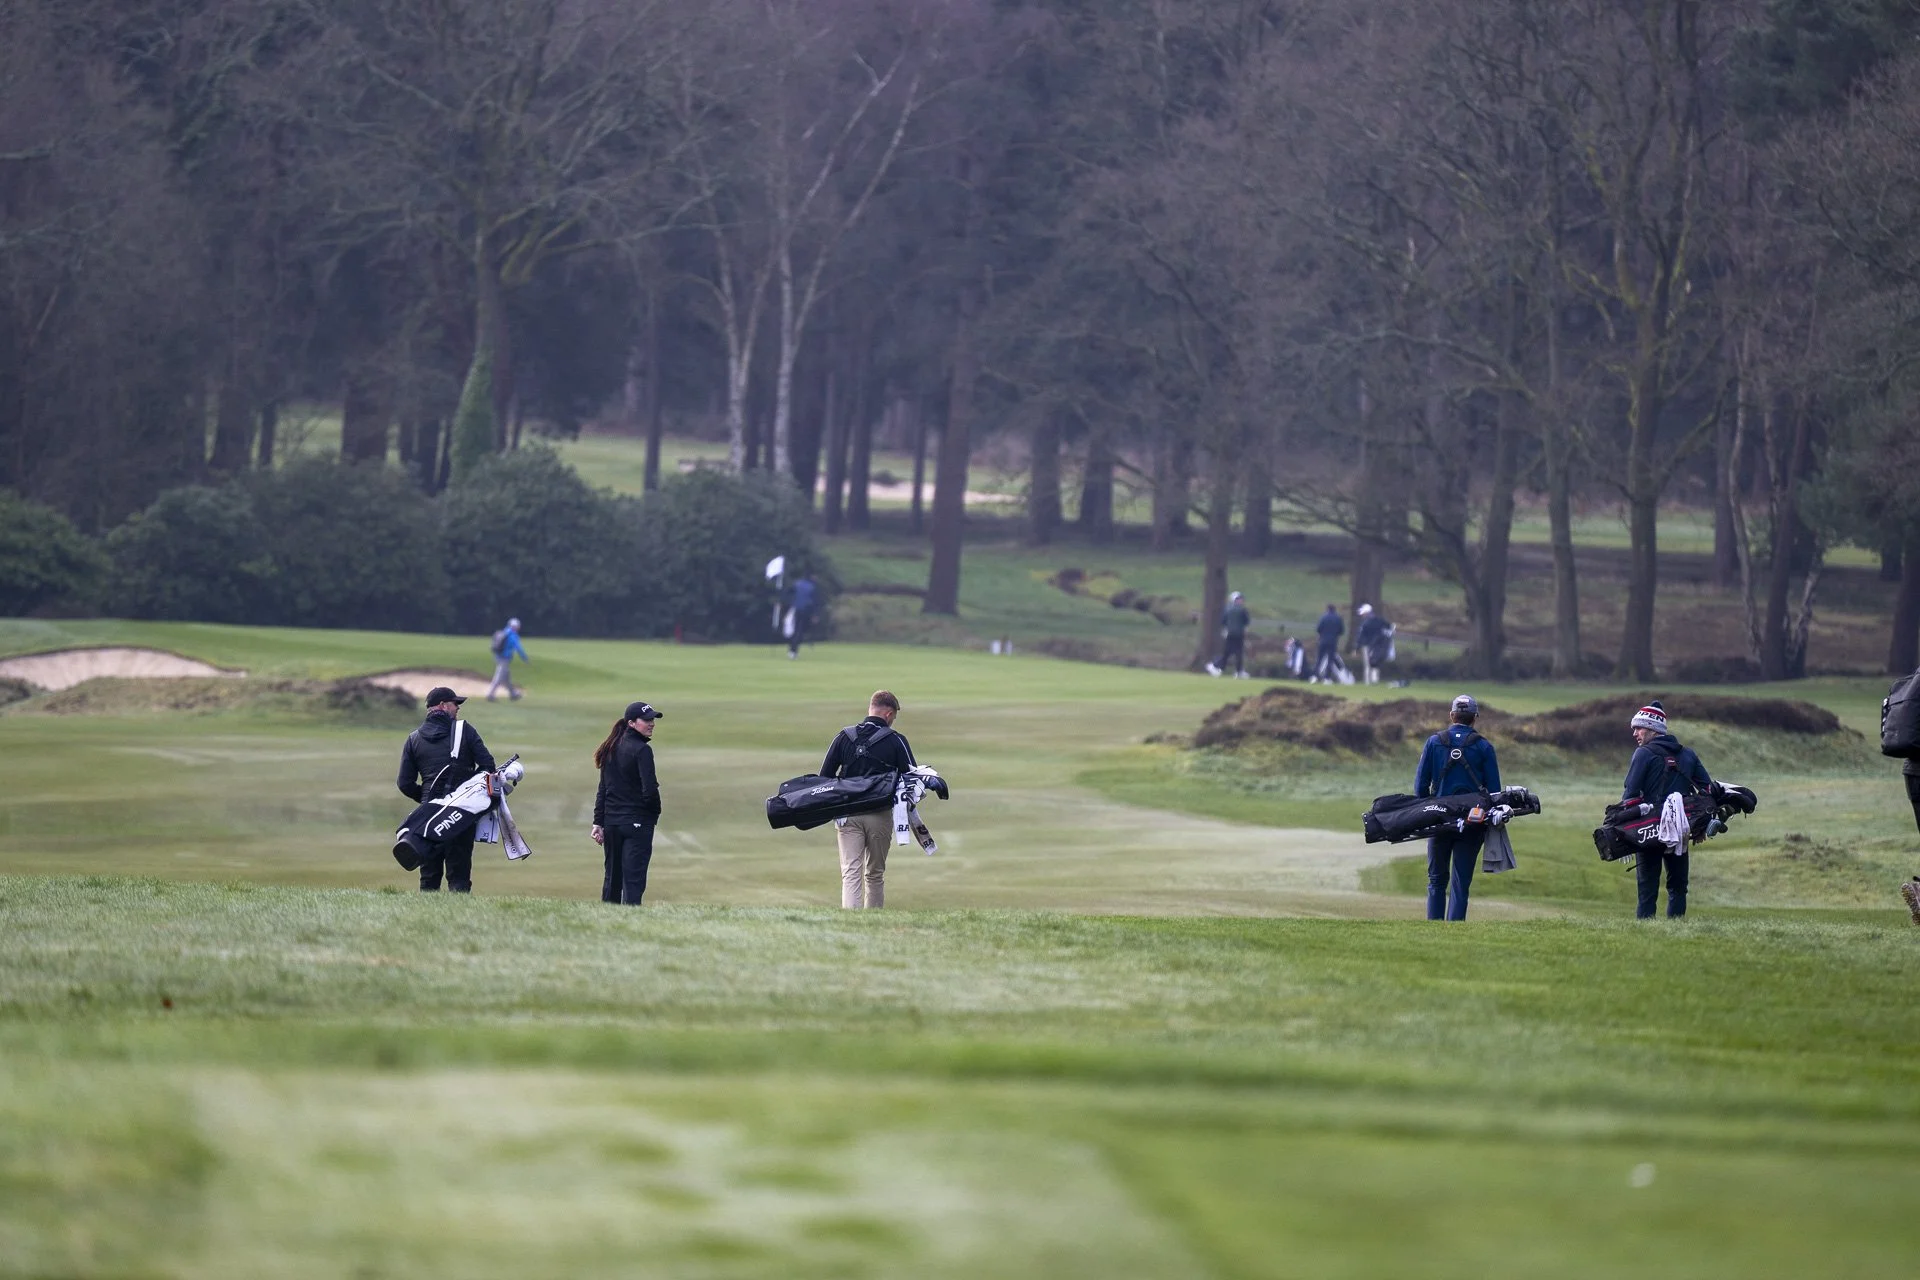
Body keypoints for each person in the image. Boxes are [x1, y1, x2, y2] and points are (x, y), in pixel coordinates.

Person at [819, 690, 916, 909]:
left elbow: (824, 778)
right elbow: (912, 778)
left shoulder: (844, 736)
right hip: (879, 816)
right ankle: (873, 921)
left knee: (850, 872)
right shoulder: (896, 740)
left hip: (847, 815)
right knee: (874, 873)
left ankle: (851, 923)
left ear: (871, 709)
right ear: (889, 714)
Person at [397, 686, 497, 893]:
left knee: (428, 878)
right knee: (459, 876)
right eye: (455, 704)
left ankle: (424, 922)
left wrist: (428, 801)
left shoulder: (413, 738)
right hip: (459, 814)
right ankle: (458, 920)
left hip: (428, 816)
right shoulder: (465, 731)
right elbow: (488, 767)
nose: (458, 709)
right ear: (443, 706)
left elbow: (404, 783)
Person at [1414, 694, 1502, 921]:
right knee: (1460, 882)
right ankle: (1455, 929)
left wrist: (1427, 809)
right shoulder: (1484, 746)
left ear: (1452, 715)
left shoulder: (1433, 742)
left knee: (1436, 880)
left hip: (1438, 819)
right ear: (1475, 718)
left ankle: (1433, 928)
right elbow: (1494, 793)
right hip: (1473, 821)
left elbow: (1420, 786)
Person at [1621, 701, 1712, 920]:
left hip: (1648, 828)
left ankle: (1645, 932)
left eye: (1639, 728)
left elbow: (1630, 794)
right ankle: (1676, 929)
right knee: (1678, 886)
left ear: (1653, 729)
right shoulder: (1688, 754)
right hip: (1680, 828)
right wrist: (1699, 823)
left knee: (1647, 889)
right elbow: (1707, 789)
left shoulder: (1643, 754)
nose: (1634, 733)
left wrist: (1624, 830)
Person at [591, 701, 664, 905]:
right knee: (633, 881)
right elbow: (649, 789)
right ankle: (631, 921)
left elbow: (603, 789)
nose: (651, 724)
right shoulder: (642, 750)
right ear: (631, 723)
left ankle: (607, 921)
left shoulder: (611, 747)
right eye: (647, 720)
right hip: (637, 823)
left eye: (652, 719)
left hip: (612, 824)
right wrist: (653, 815)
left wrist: (598, 822)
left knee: (612, 878)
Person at [1206, 591, 1253, 678]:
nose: (1241, 601)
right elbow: (1246, 622)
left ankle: (1217, 666)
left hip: (1230, 634)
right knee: (1236, 653)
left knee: (1229, 653)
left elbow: (1222, 621)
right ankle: (1235, 671)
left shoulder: (1227, 609)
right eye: (1239, 599)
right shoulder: (1242, 610)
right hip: (1238, 635)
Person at [487, 618, 530, 701]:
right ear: (515, 627)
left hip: (498, 657)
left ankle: (513, 693)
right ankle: (490, 694)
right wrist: (525, 658)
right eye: (517, 626)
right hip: (504, 658)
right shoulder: (513, 635)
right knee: (499, 677)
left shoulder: (504, 632)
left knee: (506, 677)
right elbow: (518, 648)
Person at [1354, 603, 1392, 685]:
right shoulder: (1380, 620)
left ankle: (1368, 681)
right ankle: (1375, 680)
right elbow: (1389, 627)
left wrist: (1357, 648)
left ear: (1367, 613)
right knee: (1375, 663)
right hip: (1378, 645)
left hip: (1367, 645)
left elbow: (1360, 636)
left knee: (1367, 664)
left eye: (1363, 613)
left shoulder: (1365, 624)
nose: (1362, 615)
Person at [787, 575, 818, 659]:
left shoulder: (797, 584)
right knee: (800, 632)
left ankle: (792, 650)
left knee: (797, 630)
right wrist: (815, 614)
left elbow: (789, 593)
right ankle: (793, 651)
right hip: (806, 610)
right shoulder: (812, 587)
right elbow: (814, 602)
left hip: (797, 609)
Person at [1312, 604, 1345, 683]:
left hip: (1323, 641)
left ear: (1327, 609)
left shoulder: (1323, 617)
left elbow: (1318, 629)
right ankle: (1327, 678)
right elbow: (1341, 631)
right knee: (1330, 660)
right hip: (1333, 641)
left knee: (1319, 659)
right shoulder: (1338, 618)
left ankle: (1315, 676)